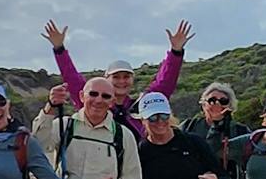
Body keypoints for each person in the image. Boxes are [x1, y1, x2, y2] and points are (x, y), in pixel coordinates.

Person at [42, 19, 194, 138]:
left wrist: (176, 52)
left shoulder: (141, 105)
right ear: (106, 79)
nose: (122, 81)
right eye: (116, 77)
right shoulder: (96, 103)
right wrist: (59, 49)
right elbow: (73, 79)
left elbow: (164, 83)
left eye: (126, 77)